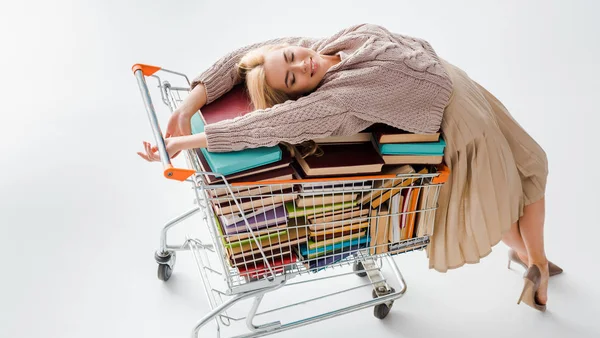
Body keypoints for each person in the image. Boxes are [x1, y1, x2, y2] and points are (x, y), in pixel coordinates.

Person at [138, 23, 561, 311]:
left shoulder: (323, 44)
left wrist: (191, 100)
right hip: (459, 117)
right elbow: (268, 125)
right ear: (298, 94)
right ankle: (536, 263)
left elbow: (242, 59)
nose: (302, 64)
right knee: (520, 176)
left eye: (291, 56)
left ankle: (529, 258)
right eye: (292, 78)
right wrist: (188, 140)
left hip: (462, 83)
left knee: (520, 170)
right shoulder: (334, 101)